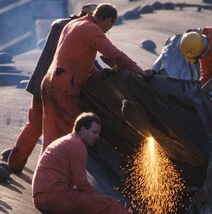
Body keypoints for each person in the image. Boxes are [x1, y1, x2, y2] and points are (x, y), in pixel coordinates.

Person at [40, 3, 149, 150]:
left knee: (51, 133)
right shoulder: (91, 29)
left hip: (49, 81)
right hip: (65, 85)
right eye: (109, 27)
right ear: (108, 19)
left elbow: (77, 57)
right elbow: (114, 54)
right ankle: (63, 171)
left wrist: (99, 74)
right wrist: (139, 70)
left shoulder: (75, 24)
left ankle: (45, 170)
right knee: (70, 135)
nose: (106, 31)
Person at [7, 3, 98, 173]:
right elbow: (75, 58)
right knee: (56, 132)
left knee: (33, 125)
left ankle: (14, 163)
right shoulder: (78, 30)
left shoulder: (59, 25)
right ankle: (46, 172)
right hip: (56, 86)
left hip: (39, 83)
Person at [32, 112, 140, 214]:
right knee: (111, 204)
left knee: (79, 206)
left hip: (42, 197)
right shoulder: (77, 145)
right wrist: (99, 198)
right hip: (53, 197)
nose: (97, 137)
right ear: (83, 130)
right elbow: (81, 182)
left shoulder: (68, 140)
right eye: (94, 132)